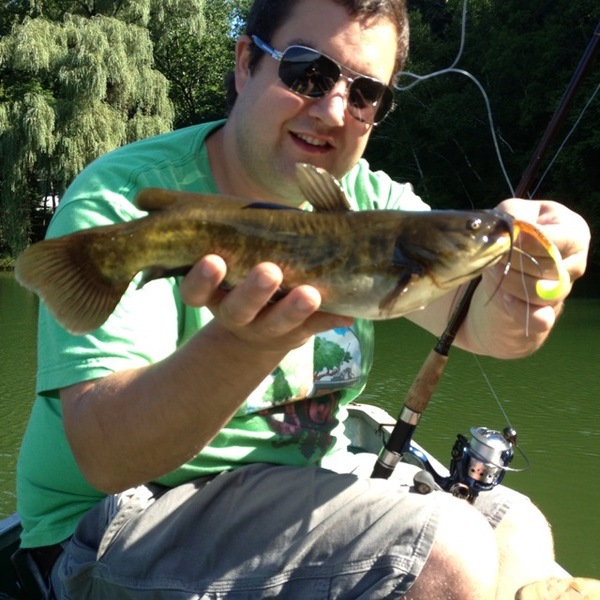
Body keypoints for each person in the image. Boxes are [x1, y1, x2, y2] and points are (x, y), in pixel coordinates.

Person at [14, 0, 592, 598]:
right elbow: (107, 458)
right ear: (246, 63)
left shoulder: (371, 204)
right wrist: (243, 345)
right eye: (308, 73)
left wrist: (533, 280)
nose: (334, 109)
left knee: (516, 531)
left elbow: (490, 328)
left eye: (365, 94)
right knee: (446, 551)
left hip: (298, 484)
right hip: (116, 523)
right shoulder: (121, 200)